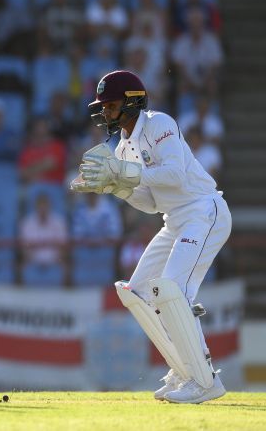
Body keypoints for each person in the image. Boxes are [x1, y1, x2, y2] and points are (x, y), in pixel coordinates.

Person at [71, 70, 232, 404]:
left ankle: (204, 380)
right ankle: (183, 368)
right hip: (174, 220)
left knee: (174, 290)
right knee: (140, 291)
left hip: (204, 211)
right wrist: (114, 186)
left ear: (133, 102)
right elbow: (149, 203)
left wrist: (125, 173)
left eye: (111, 105)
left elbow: (173, 174)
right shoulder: (125, 148)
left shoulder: (159, 124)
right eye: (103, 106)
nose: (105, 113)